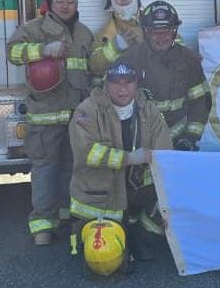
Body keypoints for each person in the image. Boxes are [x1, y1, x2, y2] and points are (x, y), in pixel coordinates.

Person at [7, 0, 94, 245]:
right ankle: (42, 223)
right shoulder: (33, 29)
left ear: (77, 5)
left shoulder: (84, 33)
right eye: (60, 1)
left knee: (73, 167)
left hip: (76, 117)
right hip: (45, 115)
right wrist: (42, 50)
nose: (66, 6)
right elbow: (12, 53)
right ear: (50, 3)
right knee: (45, 169)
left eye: (71, 1)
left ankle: (68, 216)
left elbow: (91, 70)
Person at [68, 59, 173, 261]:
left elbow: (165, 151)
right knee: (104, 260)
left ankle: (141, 238)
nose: (122, 89)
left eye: (128, 82)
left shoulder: (149, 110)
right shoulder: (87, 111)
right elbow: (87, 153)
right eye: (116, 82)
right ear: (106, 84)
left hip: (136, 192)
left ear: (137, 84)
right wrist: (130, 158)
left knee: (163, 213)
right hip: (101, 201)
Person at [124, 1, 211, 151]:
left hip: (179, 138)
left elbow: (201, 101)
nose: (162, 37)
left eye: (167, 31)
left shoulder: (188, 59)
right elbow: (114, 101)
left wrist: (191, 137)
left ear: (175, 31)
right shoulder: (131, 59)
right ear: (145, 32)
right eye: (155, 32)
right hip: (140, 139)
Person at [88, 0, 145, 75]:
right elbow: (94, 67)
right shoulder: (103, 34)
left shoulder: (154, 22)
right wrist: (114, 48)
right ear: (110, 3)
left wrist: (148, 42)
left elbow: (177, 53)